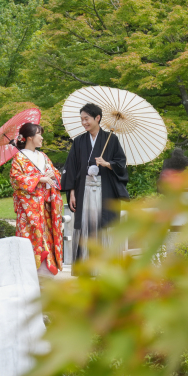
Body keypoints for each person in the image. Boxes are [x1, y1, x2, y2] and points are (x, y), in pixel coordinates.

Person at [60, 103, 129, 263]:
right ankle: (86, 265)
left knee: (105, 225)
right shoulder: (79, 141)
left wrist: (107, 164)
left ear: (97, 118)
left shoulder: (111, 139)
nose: (84, 122)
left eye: (87, 119)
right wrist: (71, 193)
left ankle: (106, 264)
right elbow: (71, 167)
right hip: (84, 191)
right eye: (82, 119)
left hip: (105, 190)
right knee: (85, 225)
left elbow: (121, 164)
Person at [9, 122, 64, 276]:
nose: (42, 137)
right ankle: (27, 273)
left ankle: (46, 270)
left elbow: (56, 175)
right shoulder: (19, 158)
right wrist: (40, 178)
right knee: (29, 238)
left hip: (45, 206)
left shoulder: (43, 156)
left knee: (46, 237)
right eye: (39, 134)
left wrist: (53, 176)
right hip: (29, 209)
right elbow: (16, 180)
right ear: (30, 137)